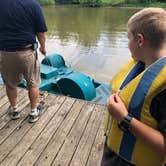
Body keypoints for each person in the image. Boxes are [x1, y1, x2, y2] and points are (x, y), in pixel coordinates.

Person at [101, 8, 166, 166]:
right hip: (114, 155)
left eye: (127, 37)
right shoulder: (141, 63)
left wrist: (124, 118)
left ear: (140, 40)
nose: (127, 43)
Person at [0, 0, 47, 123]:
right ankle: (33, 112)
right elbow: (40, 32)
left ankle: (14, 110)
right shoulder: (33, 4)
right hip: (27, 52)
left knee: (10, 84)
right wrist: (43, 47)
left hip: (5, 53)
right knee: (33, 83)